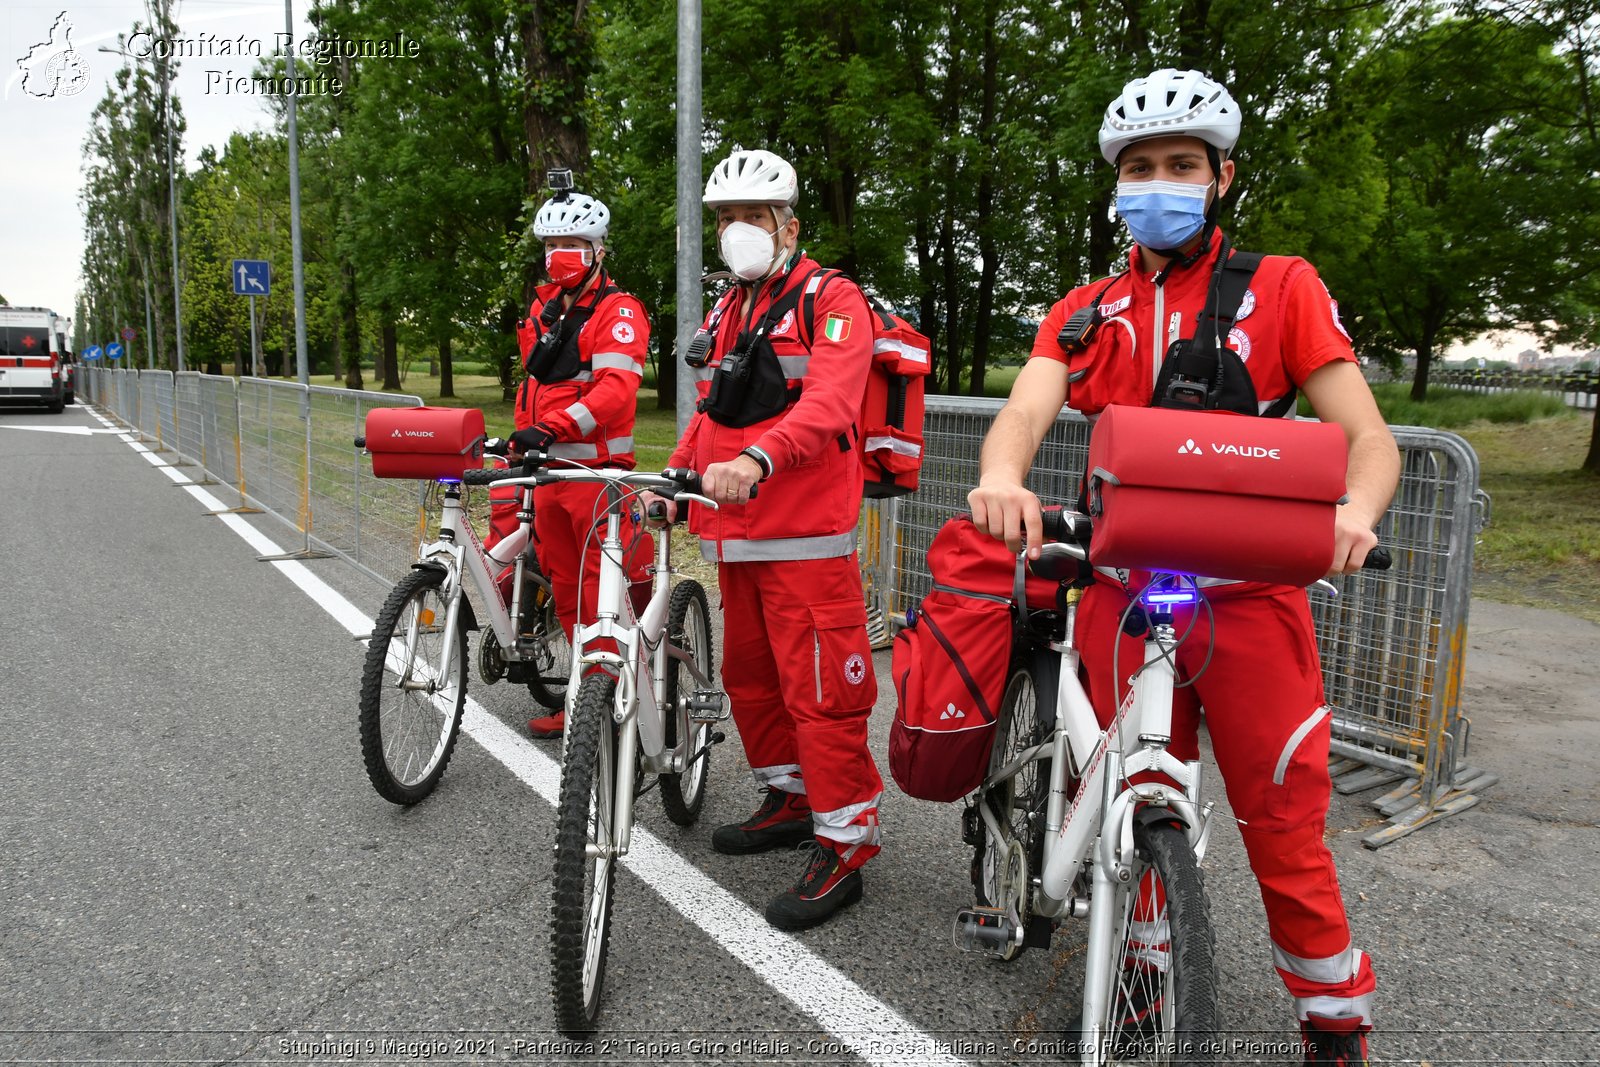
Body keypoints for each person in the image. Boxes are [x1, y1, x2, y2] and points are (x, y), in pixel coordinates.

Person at [968, 70, 1400, 1066]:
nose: (1157, 182)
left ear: (1219, 176)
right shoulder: (1083, 311)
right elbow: (1026, 413)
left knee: (1282, 820)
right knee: (1132, 787)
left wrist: (1355, 513)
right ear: (1117, 185)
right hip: (1121, 595)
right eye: (1139, 167)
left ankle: (1334, 1020)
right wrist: (1000, 475)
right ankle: (1146, 962)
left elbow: (1365, 437)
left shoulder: (1281, 288)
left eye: (1179, 164)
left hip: (1250, 598)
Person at [643, 148, 882, 931]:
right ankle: (789, 798)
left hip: (807, 544)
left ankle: (846, 840)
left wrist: (759, 456)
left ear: (790, 224)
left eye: (753, 215)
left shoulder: (833, 298)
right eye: (725, 218)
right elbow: (714, 409)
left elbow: (834, 404)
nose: (737, 230)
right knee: (752, 682)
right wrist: (674, 477)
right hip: (735, 543)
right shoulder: (729, 310)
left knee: (823, 695)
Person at [499, 186, 653, 738]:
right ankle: (586, 700)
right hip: (546, 475)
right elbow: (537, 384)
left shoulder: (618, 311)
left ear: (597, 249)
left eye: (571, 243)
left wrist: (553, 428)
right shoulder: (544, 308)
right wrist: (523, 436)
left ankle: (613, 704)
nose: (559, 253)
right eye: (552, 243)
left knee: (599, 593)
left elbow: (616, 392)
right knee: (566, 589)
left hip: (594, 476)